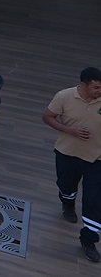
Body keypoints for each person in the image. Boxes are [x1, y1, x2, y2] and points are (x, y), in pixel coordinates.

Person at [43, 67, 101, 262]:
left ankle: (89, 240)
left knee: (94, 201)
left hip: (96, 160)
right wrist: (70, 130)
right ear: (83, 85)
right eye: (96, 87)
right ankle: (68, 203)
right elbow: (47, 117)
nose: (99, 91)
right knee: (66, 186)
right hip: (67, 154)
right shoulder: (64, 96)